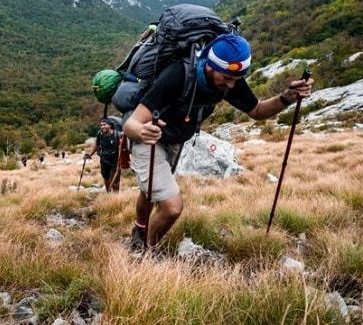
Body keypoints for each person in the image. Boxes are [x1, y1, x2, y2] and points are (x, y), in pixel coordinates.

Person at [123, 34, 313, 249]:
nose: (231, 85)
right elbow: (131, 124)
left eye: (237, 78)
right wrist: (142, 131)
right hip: (149, 139)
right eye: (227, 78)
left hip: (176, 141)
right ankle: (143, 251)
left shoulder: (230, 79)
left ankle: (140, 228)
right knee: (171, 206)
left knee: (150, 191)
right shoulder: (177, 75)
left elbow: (257, 111)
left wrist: (287, 98)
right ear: (210, 67)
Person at [87, 117, 119, 191]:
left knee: (113, 180)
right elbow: (97, 145)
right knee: (106, 178)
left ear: (110, 125)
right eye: (101, 125)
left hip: (114, 161)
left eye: (104, 124)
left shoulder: (116, 135)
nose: (102, 127)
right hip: (104, 160)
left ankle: (116, 197)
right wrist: (90, 154)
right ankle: (108, 193)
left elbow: (121, 148)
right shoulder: (100, 134)